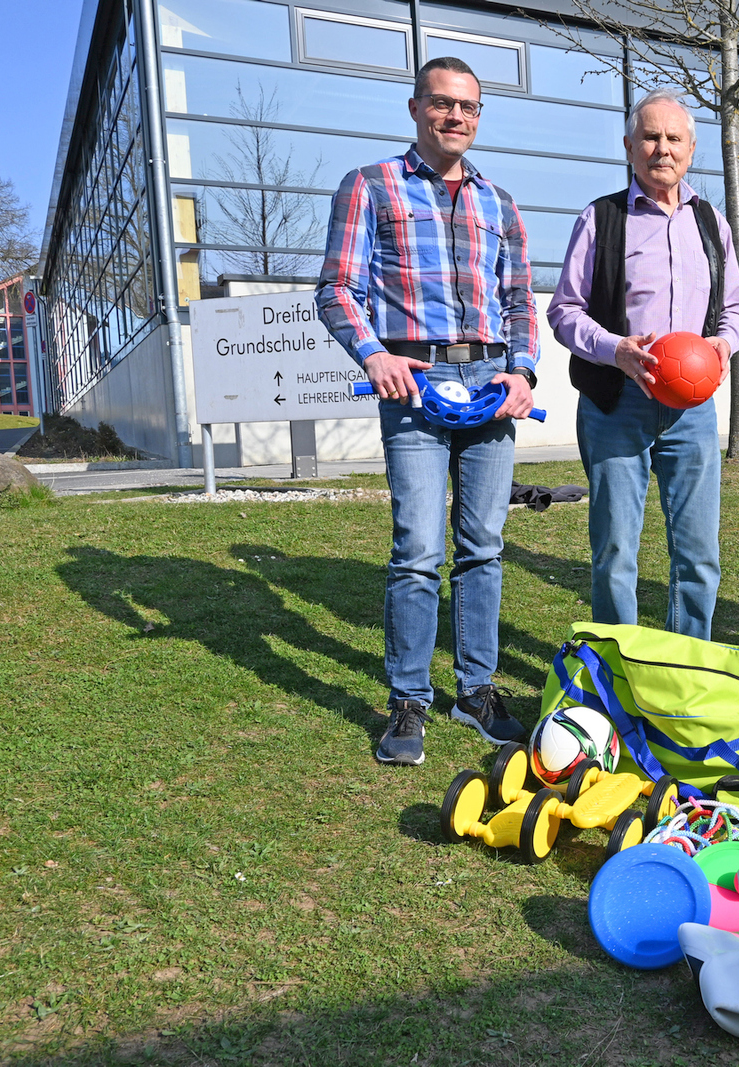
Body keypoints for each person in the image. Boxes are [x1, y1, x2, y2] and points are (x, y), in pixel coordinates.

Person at [316, 56, 539, 765]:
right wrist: (373, 355)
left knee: (483, 545)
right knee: (418, 550)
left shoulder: (500, 202)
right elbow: (336, 289)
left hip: (491, 381)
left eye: (469, 107)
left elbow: (519, 300)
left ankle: (476, 692)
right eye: (442, 104)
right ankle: (408, 700)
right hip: (413, 381)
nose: (456, 117)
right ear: (415, 108)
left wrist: (525, 370)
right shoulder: (370, 186)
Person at [547, 88, 739, 639]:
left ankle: (687, 666)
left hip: (692, 409)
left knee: (699, 553)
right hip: (617, 405)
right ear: (630, 145)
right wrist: (617, 349)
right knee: (615, 548)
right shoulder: (602, 218)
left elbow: (734, 311)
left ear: (691, 147)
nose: (663, 148)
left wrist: (720, 348)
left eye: (674, 138)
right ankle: (619, 667)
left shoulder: (711, 222)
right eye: (651, 137)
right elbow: (563, 311)